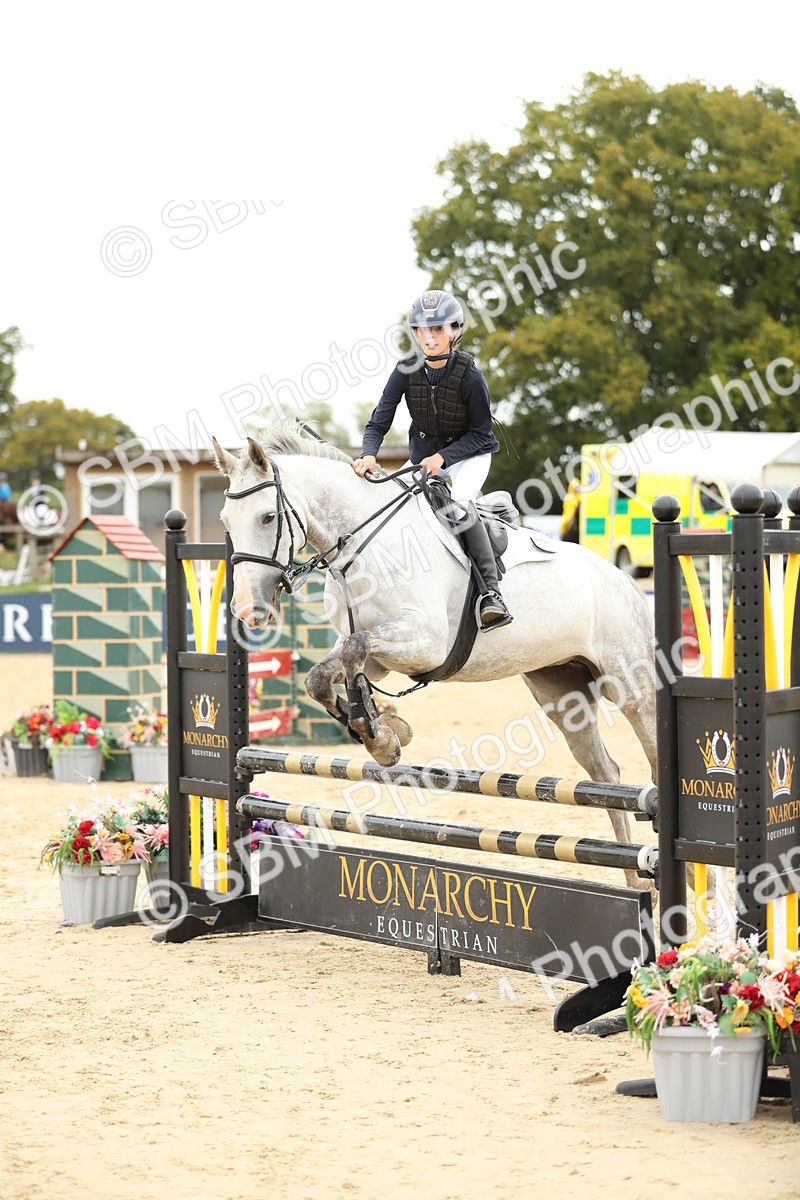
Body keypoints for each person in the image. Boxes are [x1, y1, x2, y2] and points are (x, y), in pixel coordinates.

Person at [352, 289, 512, 630]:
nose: (429, 337)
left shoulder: (471, 376)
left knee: (460, 506)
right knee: (396, 506)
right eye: (421, 329)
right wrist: (368, 453)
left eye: (438, 329)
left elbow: (481, 433)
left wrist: (443, 457)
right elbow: (379, 421)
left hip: (470, 454)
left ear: (455, 331)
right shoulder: (404, 370)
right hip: (425, 456)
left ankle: (491, 593)